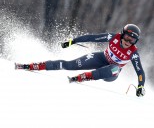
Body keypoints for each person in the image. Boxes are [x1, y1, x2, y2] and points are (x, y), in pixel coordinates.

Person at [16, 24, 146, 97]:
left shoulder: (133, 53)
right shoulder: (113, 37)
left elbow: (140, 72)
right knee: (69, 65)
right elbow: (92, 37)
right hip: (100, 58)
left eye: (132, 40)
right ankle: (34, 66)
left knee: (114, 68)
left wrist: (140, 86)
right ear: (122, 34)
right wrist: (73, 41)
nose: (129, 42)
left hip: (112, 72)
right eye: (127, 38)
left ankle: (83, 77)